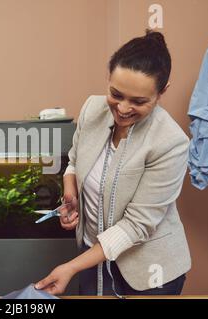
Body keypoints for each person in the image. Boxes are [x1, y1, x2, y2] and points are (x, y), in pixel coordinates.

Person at [35, 30, 191, 296]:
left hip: (149, 269)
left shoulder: (171, 142)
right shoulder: (92, 109)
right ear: (108, 79)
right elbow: (74, 160)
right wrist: (70, 191)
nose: (123, 108)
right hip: (92, 259)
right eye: (116, 94)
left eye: (139, 101)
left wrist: (71, 267)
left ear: (162, 91)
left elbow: (136, 225)